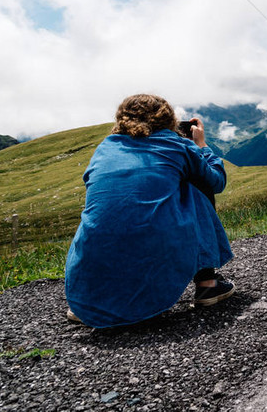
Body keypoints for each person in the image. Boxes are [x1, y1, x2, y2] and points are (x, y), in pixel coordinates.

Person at [65, 94, 235, 328]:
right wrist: (202, 146)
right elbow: (216, 182)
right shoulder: (177, 145)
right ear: (168, 119)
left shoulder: (105, 147)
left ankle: (93, 297)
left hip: (86, 294)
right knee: (196, 187)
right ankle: (207, 284)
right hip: (155, 247)